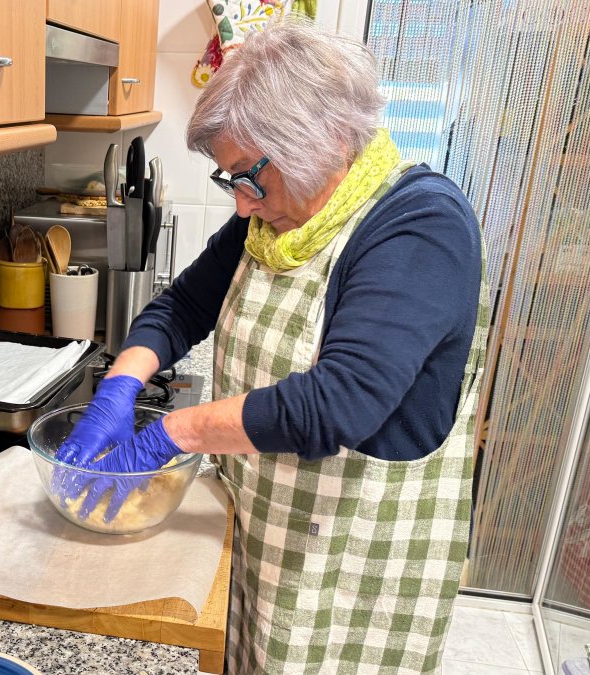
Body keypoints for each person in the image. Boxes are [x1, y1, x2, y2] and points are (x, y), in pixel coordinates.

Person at [56, 19, 489, 675]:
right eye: (231, 180)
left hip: (353, 567)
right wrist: (120, 385)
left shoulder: (420, 227)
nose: (243, 202)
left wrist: (174, 431)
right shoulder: (273, 217)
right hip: (265, 528)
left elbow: (338, 403)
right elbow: (184, 305)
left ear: (324, 139)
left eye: (249, 175)